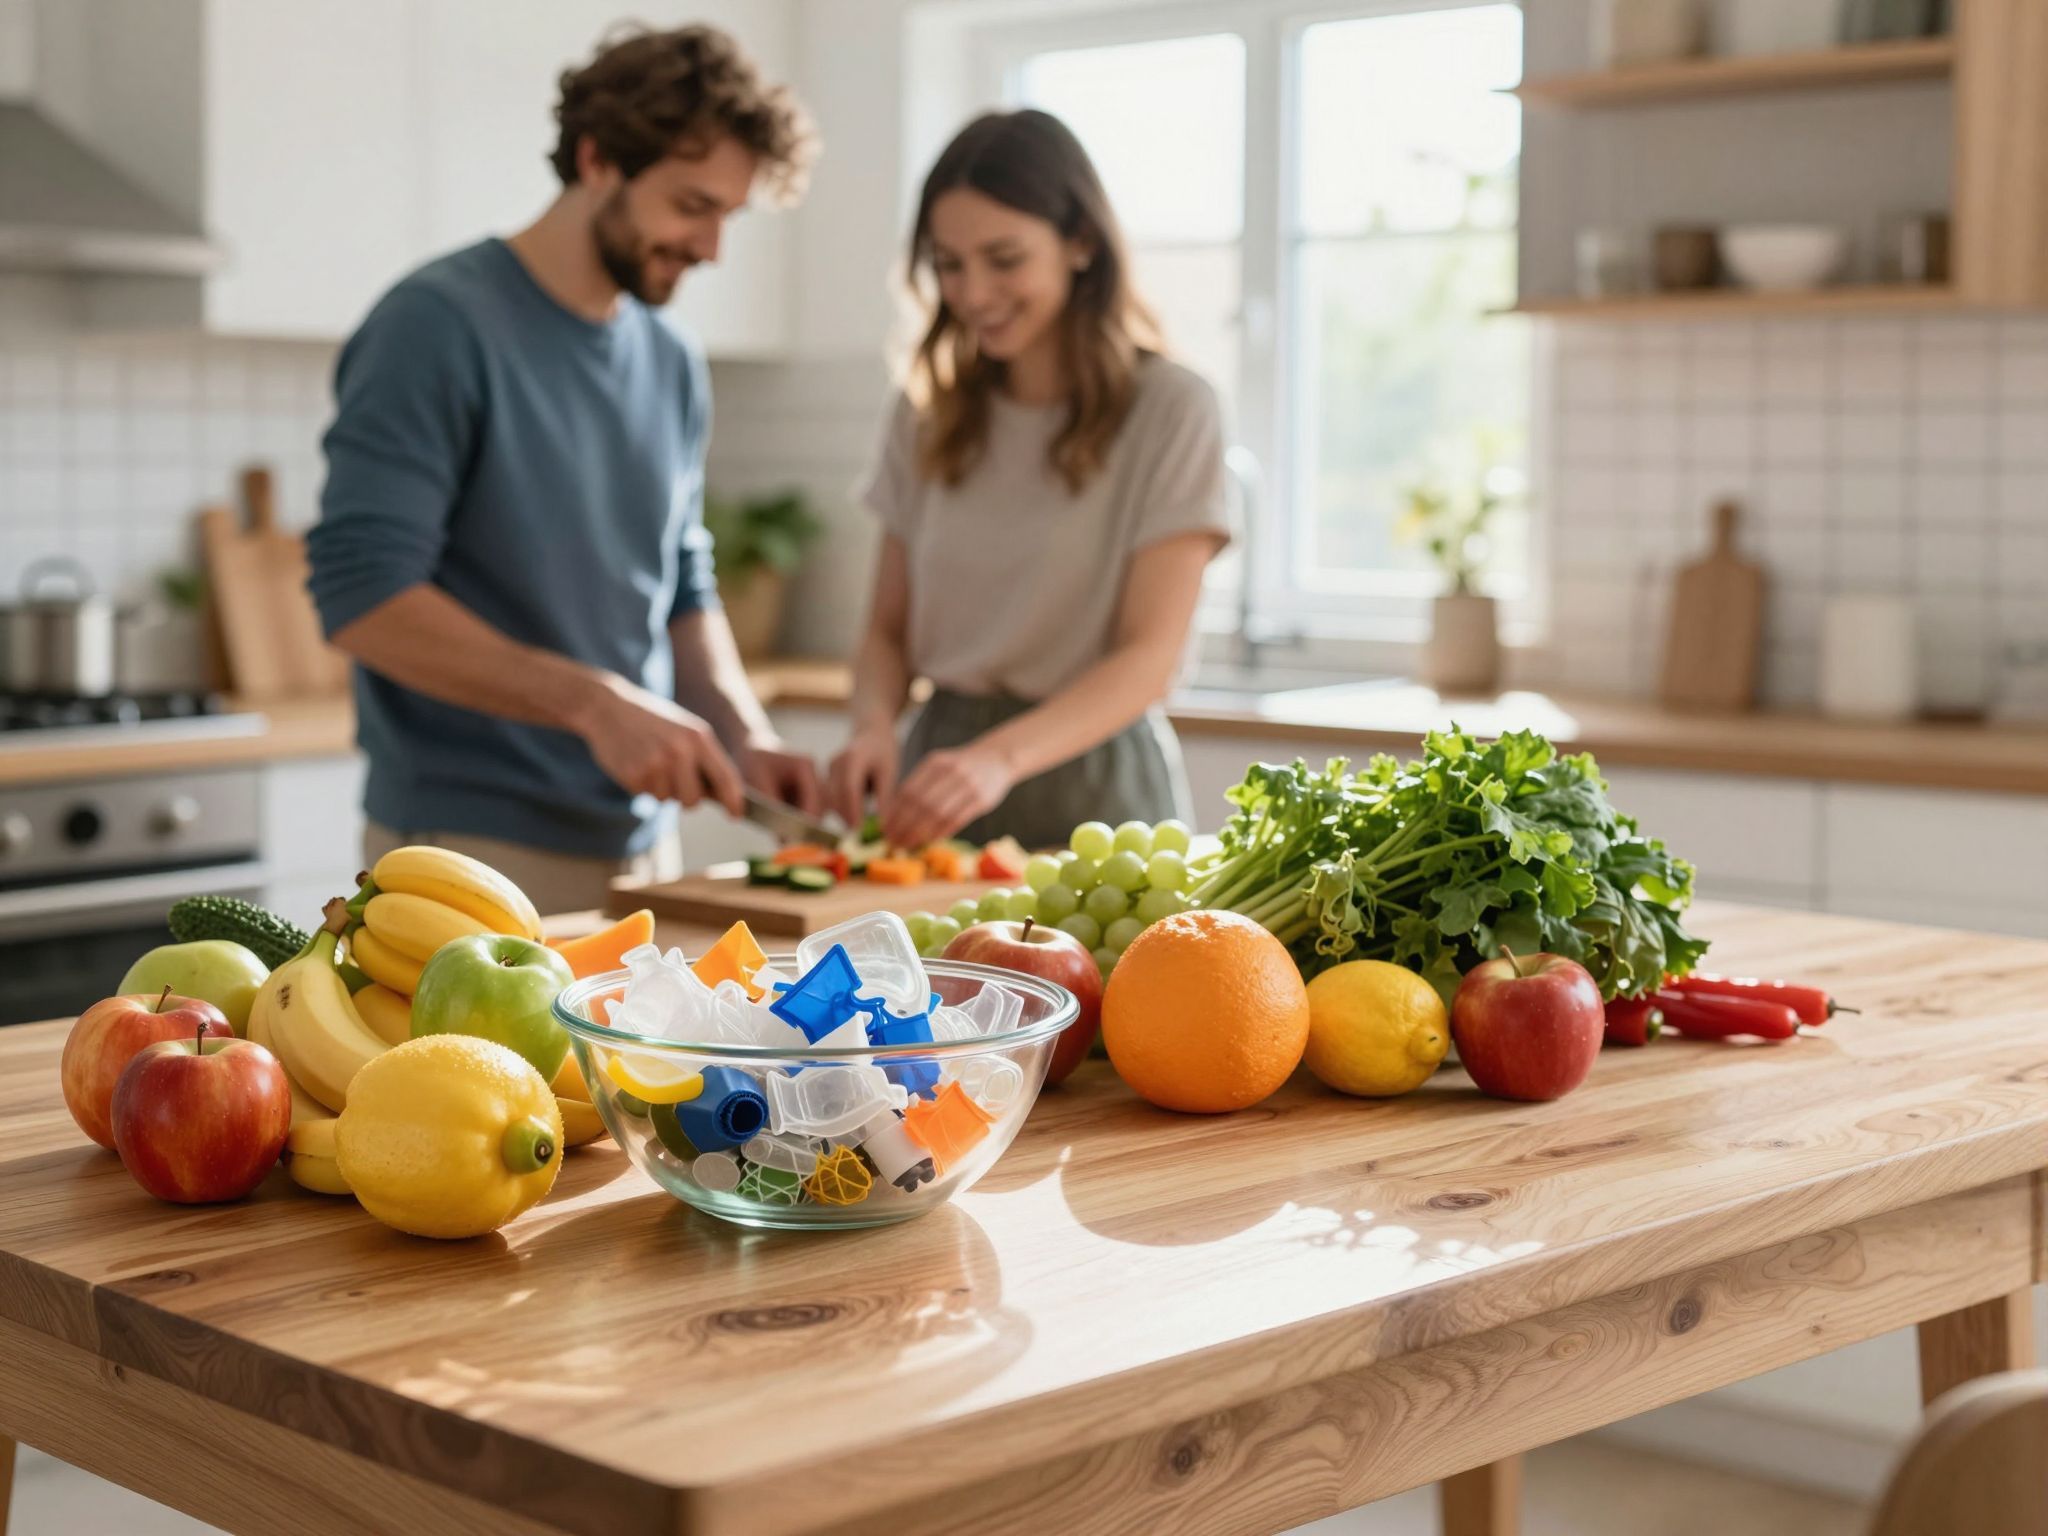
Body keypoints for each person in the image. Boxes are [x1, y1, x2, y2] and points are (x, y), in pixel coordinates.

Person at [307, 26, 823, 917]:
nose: (711, 248)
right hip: (465, 851)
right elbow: (361, 595)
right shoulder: (435, 325)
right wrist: (594, 705)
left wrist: (744, 733)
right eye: (690, 205)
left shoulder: (670, 356)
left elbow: (681, 581)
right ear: (596, 160)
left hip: (639, 844)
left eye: (727, 216)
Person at [828, 110, 1230, 851]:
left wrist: (999, 759)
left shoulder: (1173, 408)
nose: (974, 293)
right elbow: (886, 630)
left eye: (1004, 258)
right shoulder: (926, 411)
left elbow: (1150, 657)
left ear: (1080, 242)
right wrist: (871, 727)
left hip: (1096, 780)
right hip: (941, 774)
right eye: (949, 264)